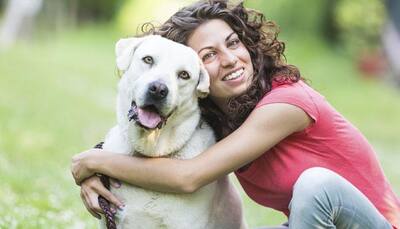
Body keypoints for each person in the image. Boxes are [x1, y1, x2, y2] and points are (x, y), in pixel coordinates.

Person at [71, 0, 400, 228]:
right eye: (210, 54)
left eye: (233, 43)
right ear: (195, 79)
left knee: (316, 185)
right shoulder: (224, 118)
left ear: (249, 45)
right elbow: (156, 141)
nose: (229, 59)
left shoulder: (287, 103)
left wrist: (92, 162)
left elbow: (189, 176)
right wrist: (97, 168)